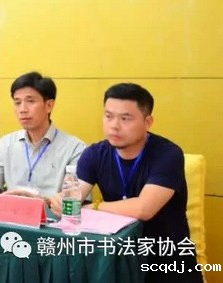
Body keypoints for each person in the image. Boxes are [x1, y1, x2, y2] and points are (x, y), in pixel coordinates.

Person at [57, 83, 200, 282]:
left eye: (125, 118)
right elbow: (74, 196)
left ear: (148, 122)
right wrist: (60, 201)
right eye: (108, 116)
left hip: (165, 260)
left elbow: (144, 208)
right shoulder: (95, 153)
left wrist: (94, 207)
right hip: (117, 257)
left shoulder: (168, 154)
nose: (114, 125)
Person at [0, 72, 85, 204]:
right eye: (17, 103)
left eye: (30, 101)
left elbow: (75, 200)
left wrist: (40, 201)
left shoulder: (75, 148)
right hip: (10, 212)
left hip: (51, 215)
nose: (23, 109)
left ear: (49, 105)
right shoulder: (6, 143)